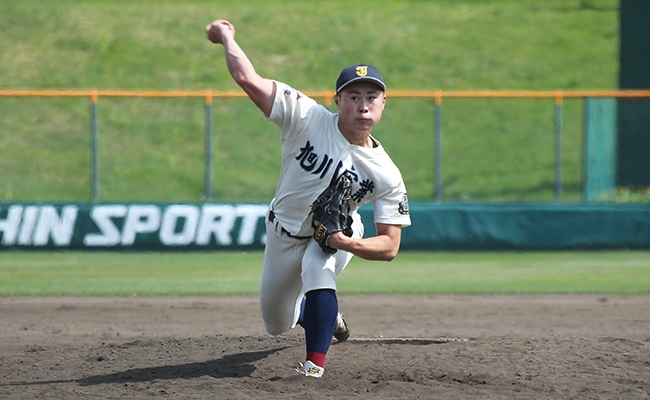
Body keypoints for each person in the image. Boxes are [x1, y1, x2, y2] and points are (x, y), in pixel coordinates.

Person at [206, 19, 411, 378]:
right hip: (283, 234)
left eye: (371, 97)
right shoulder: (306, 118)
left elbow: (390, 246)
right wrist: (226, 37)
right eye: (354, 96)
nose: (363, 105)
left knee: (318, 267)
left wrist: (344, 242)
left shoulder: (386, 173)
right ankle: (321, 316)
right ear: (337, 101)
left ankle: (313, 366)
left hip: (336, 234)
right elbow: (248, 80)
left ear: (383, 103)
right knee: (276, 323)